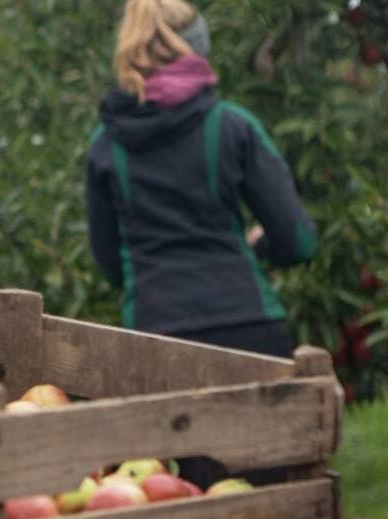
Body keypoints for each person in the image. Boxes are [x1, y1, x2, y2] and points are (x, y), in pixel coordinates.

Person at [86, 0, 316, 358]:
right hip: (248, 327)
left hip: (155, 336)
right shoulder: (232, 127)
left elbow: (110, 264)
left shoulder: (106, 145)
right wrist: (259, 246)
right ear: (198, 49)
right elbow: (297, 241)